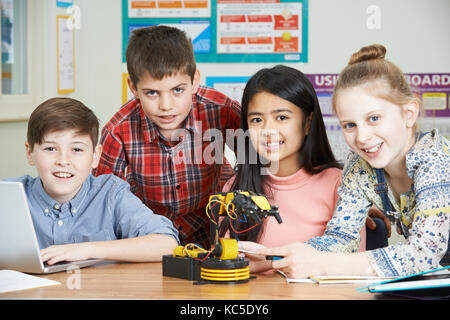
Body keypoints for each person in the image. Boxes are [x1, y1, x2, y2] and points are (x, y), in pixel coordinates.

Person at [241, 44, 450, 278]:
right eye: (350, 125)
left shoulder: (435, 158)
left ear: (408, 114)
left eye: (374, 118)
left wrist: (321, 263)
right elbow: (342, 237)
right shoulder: (360, 167)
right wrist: (276, 257)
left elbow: (424, 254)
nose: (362, 137)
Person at [93, 26, 241, 249]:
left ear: (194, 81)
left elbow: (259, 166)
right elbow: (103, 202)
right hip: (148, 237)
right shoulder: (118, 132)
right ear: (133, 87)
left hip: (211, 233)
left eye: (177, 90)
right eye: (152, 93)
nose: (166, 106)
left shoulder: (222, 110)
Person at [219, 65, 369, 273]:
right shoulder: (235, 187)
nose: (267, 131)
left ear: (307, 123)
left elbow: (348, 265)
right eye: (256, 120)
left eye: (281, 117)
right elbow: (227, 264)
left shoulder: (342, 186)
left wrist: (266, 262)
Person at [5, 97, 179, 265]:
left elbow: (167, 243)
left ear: (95, 156)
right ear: (30, 153)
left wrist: (87, 249)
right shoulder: (9, 196)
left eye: (77, 149)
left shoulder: (111, 193)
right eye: (50, 148)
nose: (63, 161)